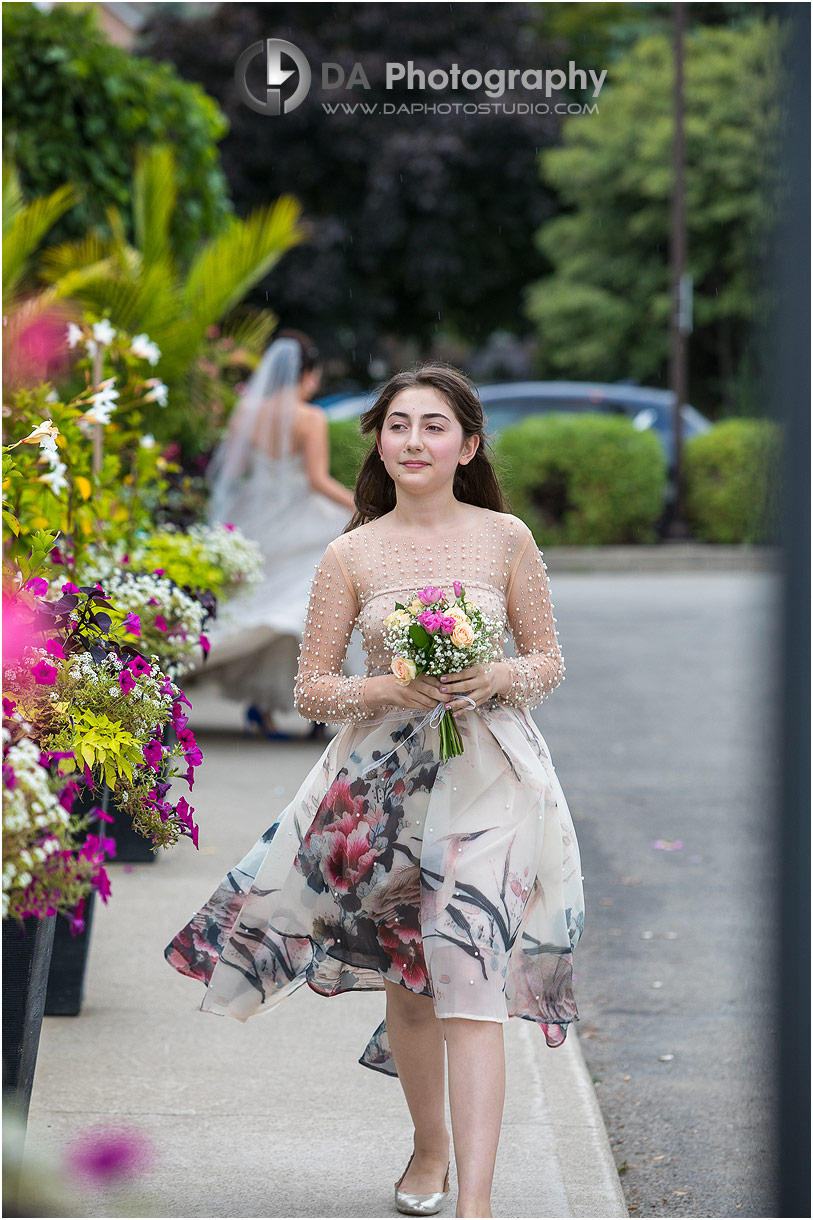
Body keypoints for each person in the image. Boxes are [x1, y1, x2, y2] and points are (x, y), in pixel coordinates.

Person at [165, 362, 585, 1219]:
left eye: (434, 426)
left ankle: (478, 1205)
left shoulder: (506, 537)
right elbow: (311, 689)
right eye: (398, 424)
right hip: (382, 789)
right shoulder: (349, 551)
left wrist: (492, 671)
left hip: (492, 774)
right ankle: (429, 1144)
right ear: (379, 441)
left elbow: (547, 662)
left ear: (467, 444)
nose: (414, 440)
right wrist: (391, 688)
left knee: (468, 972)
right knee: (413, 979)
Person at [191, 330, 357, 740]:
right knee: (307, 607)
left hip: (255, 517)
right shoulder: (310, 417)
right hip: (301, 517)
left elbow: (234, 470)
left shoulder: (247, 411)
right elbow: (317, 479)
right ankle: (318, 701)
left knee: (268, 606)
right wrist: (359, 503)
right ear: (307, 374)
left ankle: (267, 704)